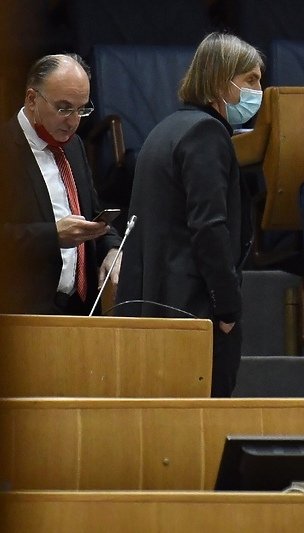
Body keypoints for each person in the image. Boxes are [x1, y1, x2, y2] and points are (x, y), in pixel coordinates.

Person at [116, 32, 261, 397]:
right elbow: (209, 227)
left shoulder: (164, 129)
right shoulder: (206, 133)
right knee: (203, 422)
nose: (258, 91)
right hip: (191, 312)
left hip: (152, 308)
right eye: (251, 80)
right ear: (220, 81)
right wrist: (227, 309)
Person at [0, 53, 121, 315]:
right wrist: (53, 236)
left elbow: (92, 214)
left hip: (79, 311)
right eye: (64, 108)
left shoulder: (74, 146)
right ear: (32, 99)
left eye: (82, 109)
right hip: (22, 314)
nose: (74, 121)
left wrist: (112, 247)